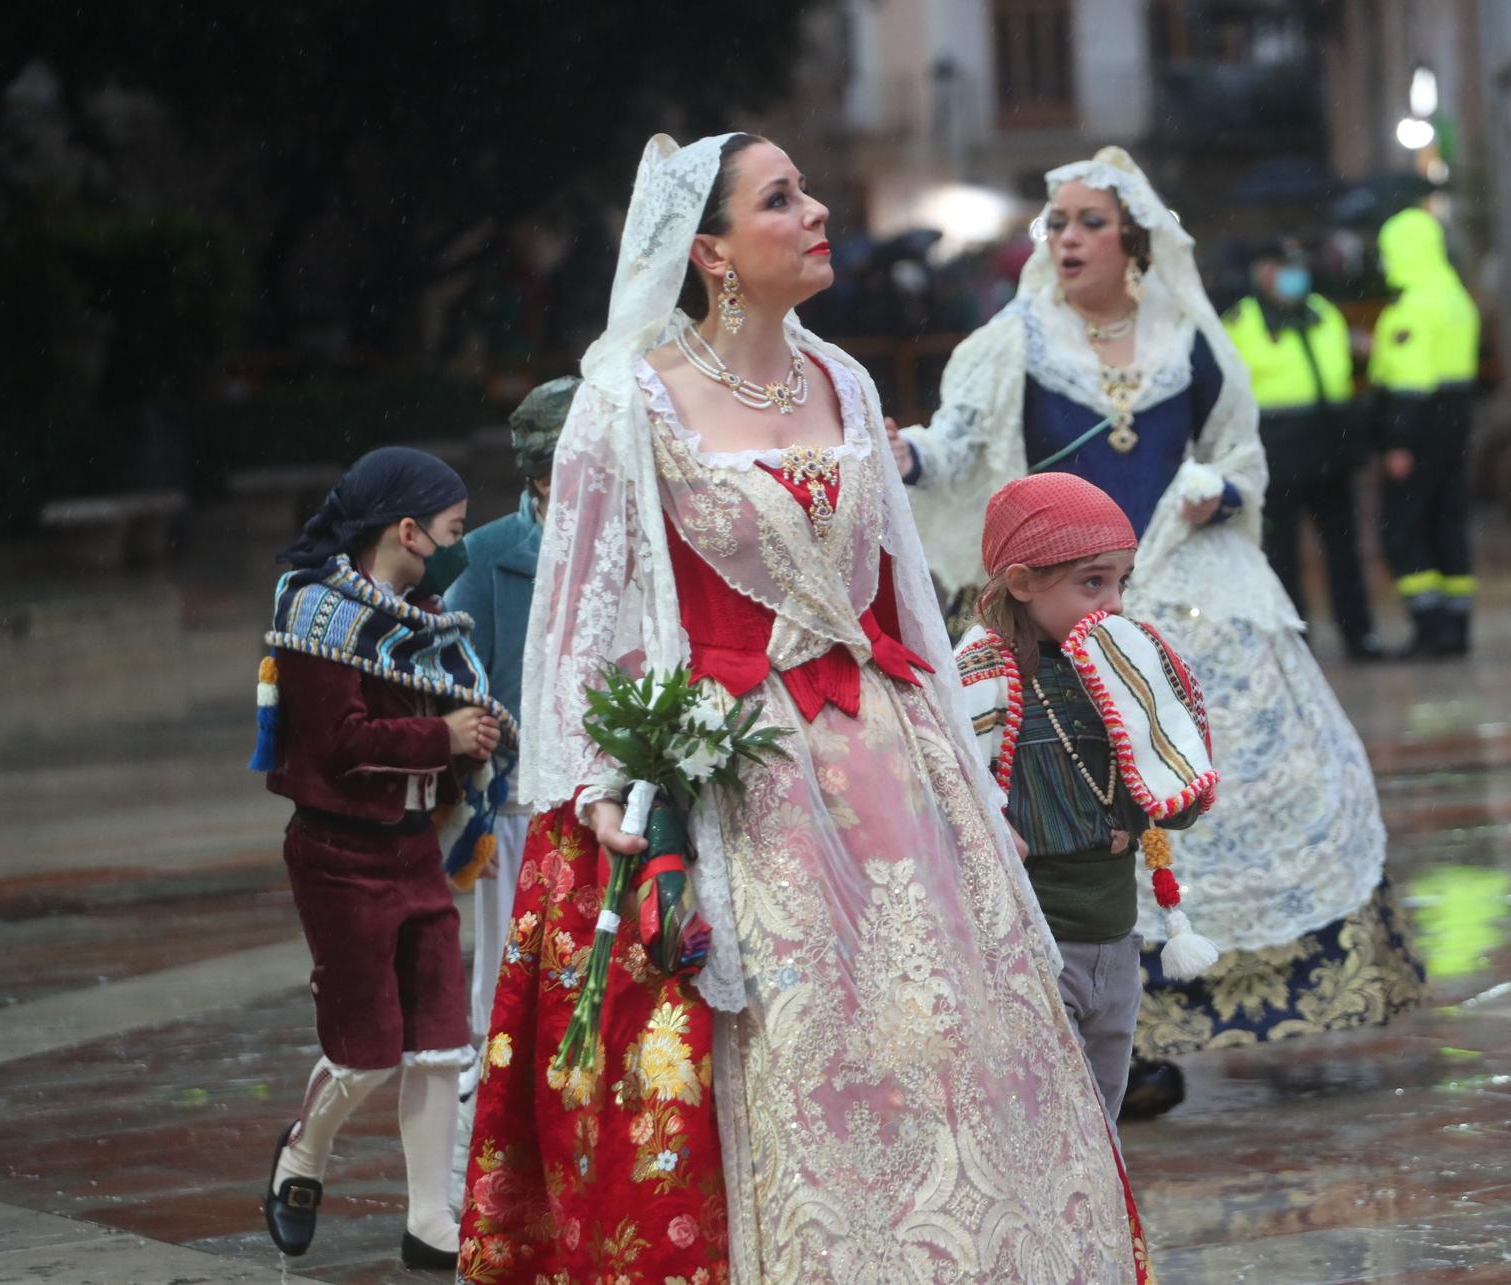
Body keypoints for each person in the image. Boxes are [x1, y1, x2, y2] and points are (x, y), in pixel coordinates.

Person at [497, 133, 1149, 1283]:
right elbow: (583, 611)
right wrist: (603, 781)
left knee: (954, 1027)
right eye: (780, 199)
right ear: (710, 251)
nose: (814, 213)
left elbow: (895, 580)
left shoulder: (843, 377)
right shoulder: (628, 401)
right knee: (800, 1045)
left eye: (806, 193)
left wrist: (964, 760)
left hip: (888, 747)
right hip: (743, 768)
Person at [892, 147, 1424, 1119]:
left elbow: (1238, 451)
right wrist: (906, 455)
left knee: (1228, 777)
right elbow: (956, 442)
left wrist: (1217, 488)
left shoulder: (1188, 334)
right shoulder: (1013, 340)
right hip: (1063, 606)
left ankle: (1215, 1002)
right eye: (1054, 224)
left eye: (1086, 223)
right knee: (1073, 796)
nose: (1064, 240)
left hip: (1183, 580)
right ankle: (1113, 1039)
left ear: (1133, 243)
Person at [252, 447, 510, 1271]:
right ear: (406, 529)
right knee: (365, 1049)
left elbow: (441, 731)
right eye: (449, 529)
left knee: (439, 1041)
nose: (457, 544)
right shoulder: (316, 611)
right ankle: (302, 1153)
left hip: (411, 847)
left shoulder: (422, 620)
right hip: (338, 850)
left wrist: (471, 746)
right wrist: (441, 734)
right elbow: (337, 744)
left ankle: (430, 1216)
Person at [954, 473, 1212, 1126]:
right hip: (1032, 938)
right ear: (1021, 582)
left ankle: (1104, 1226)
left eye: (1123, 581)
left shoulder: (1120, 666)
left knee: (1102, 1111)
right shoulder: (983, 676)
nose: (1114, 603)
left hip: (1116, 937)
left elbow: (1173, 796)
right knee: (1047, 1123)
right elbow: (951, 791)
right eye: (1092, 582)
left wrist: (1163, 726)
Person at [442, 374, 578, 1105]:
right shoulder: (487, 555)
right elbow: (457, 671)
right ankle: (496, 1098)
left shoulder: (633, 541)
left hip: (604, 790)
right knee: (507, 961)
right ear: (539, 475)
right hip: (516, 792)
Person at [1223, 238, 1382, 661]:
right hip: (1276, 451)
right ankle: (1295, 641)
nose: (1294, 276)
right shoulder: (1241, 322)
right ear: (1263, 273)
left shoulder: (1322, 312)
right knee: (1282, 556)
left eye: (1298, 266)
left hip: (1330, 446)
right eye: (1283, 267)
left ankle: (1359, 634)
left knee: (1345, 550)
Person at [1369, 207, 1482, 658]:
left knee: (1405, 531)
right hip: (1453, 431)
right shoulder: (1458, 301)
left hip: (1417, 438)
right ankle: (1456, 625)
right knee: (1448, 526)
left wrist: (1398, 441)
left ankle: (1429, 627)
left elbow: (1410, 387)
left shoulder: (1413, 308)